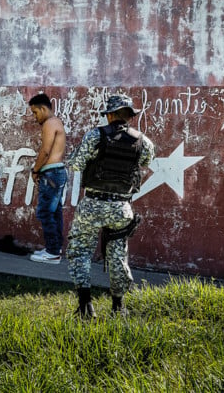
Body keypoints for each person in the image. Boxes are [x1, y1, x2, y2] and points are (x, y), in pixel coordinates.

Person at [66, 95, 154, 318]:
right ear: (129, 116)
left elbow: (76, 164)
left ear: (111, 115)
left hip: (93, 204)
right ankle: (118, 306)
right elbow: (146, 162)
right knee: (117, 255)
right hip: (121, 207)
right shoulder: (143, 141)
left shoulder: (96, 136)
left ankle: (86, 306)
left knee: (81, 252)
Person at [27, 93, 68, 264]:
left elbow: (45, 151)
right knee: (55, 213)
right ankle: (55, 249)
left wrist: (35, 170)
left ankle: (52, 252)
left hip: (50, 174)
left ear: (43, 109)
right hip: (57, 172)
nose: (35, 117)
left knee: (45, 212)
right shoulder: (57, 122)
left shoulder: (49, 124)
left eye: (35, 112)